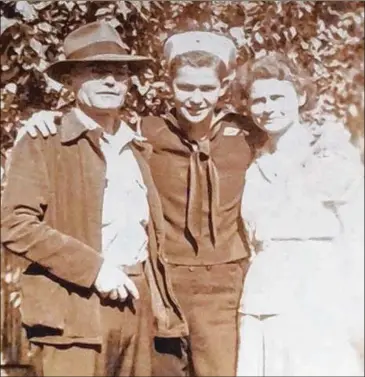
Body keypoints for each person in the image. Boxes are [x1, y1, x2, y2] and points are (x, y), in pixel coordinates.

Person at [18, 31, 266, 377]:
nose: (196, 98)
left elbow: (292, 146)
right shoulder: (145, 131)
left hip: (222, 284)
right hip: (159, 283)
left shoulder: (248, 136)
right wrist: (43, 120)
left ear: (223, 88)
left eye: (207, 88)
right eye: (185, 87)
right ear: (169, 86)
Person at [1, 21, 187, 377]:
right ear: (71, 80)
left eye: (120, 73)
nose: (111, 82)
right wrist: (94, 269)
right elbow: (14, 224)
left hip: (139, 306)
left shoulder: (138, 147)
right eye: (98, 72)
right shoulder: (44, 141)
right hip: (74, 312)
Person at [235, 52, 364, 376]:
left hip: (318, 298)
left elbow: (357, 234)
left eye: (278, 96)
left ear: (301, 96)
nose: (268, 107)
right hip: (263, 299)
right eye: (259, 100)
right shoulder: (253, 163)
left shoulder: (330, 154)